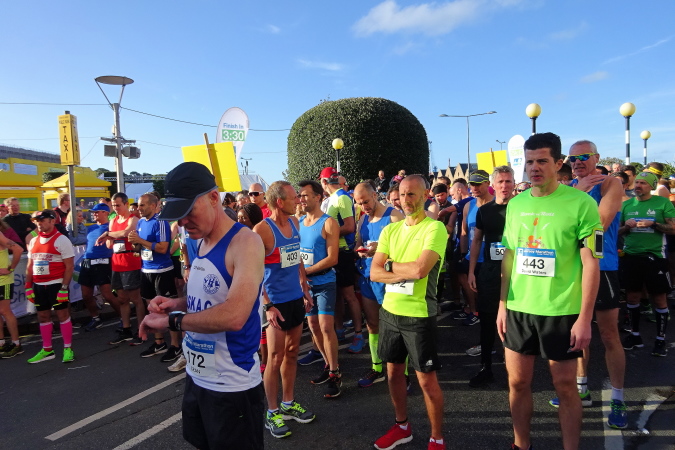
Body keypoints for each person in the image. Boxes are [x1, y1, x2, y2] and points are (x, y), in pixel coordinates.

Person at [139, 161, 265, 449]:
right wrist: (175, 303)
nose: (183, 223)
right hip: (198, 378)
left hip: (232, 386)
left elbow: (234, 314)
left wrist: (173, 321)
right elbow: (210, 297)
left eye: (188, 212)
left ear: (213, 197)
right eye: (178, 215)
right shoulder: (201, 241)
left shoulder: (245, 242)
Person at [497, 132, 602, 450]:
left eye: (542, 161)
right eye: (530, 162)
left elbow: (591, 264)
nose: (534, 168)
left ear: (558, 163)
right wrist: (502, 305)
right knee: (517, 382)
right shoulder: (516, 204)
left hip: (561, 311)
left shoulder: (582, 204)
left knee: (565, 386)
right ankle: (521, 445)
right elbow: (509, 256)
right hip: (519, 309)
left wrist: (585, 318)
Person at [550, 140, 627, 428]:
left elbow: (600, 224)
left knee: (608, 335)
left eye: (584, 156)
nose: (578, 162)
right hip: (573, 269)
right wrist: (575, 192)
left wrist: (575, 195)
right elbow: (554, 226)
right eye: (573, 158)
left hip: (603, 268)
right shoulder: (571, 188)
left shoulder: (610, 184)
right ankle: (582, 387)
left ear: (596, 157)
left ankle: (618, 398)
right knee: (576, 333)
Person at [370, 175, 447, 450]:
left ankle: (436, 438)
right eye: (402, 195)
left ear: (425, 195)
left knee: (426, 381)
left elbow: (420, 270)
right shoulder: (390, 230)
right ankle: (402, 426)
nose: (406, 200)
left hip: (418, 315)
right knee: (393, 374)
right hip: (390, 312)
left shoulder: (434, 228)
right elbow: (373, 272)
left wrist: (390, 265)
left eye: (412, 194)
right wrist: (396, 268)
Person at [254, 180, 315, 439]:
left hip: (295, 298)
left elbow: (297, 256)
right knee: (274, 358)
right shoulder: (261, 230)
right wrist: (267, 305)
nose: (298, 201)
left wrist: (305, 287)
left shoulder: (294, 223)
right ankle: (272, 411)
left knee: (291, 353)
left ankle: (288, 403)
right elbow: (254, 271)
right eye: (293, 198)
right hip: (275, 303)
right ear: (279, 202)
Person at [466, 166, 515, 387]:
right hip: (490, 271)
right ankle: (486, 367)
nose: (504, 186)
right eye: (500, 182)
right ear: (493, 185)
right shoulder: (484, 211)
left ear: (513, 184)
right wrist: (471, 271)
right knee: (487, 320)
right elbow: (477, 240)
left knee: (513, 322)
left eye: (508, 181)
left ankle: (513, 369)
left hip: (517, 273)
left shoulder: (522, 209)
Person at [353, 181, 404, 388]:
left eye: (366, 201)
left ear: (375, 195)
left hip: (389, 280)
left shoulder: (394, 216)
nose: (363, 206)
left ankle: (403, 373)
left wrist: (381, 250)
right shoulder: (362, 219)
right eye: (359, 203)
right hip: (368, 277)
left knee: (396, 327)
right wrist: (360, 251)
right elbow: (358, 243)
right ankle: (377, 368)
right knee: (372, 324)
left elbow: (405, 252)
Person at [619, 170, 675, 357]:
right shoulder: (627, 205)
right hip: (631, 256)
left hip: (655, 257)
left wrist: (654, 224)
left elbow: (673, 228)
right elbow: (616, 231)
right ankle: (635, 335)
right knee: (632, 297)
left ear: (652, 186)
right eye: (637, 182)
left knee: (659, 299)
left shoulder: (662, 203)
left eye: (643, 183)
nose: (638, 186)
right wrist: (626, 227)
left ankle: (660, 339)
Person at [297, 180, 342, 397]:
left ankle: (335, 373)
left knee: (325, 327)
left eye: (305, 195)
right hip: (306, 285)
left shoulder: (329, 222)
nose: (301, 199)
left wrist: (306, 271)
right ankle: (327, 364)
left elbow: (333, 258)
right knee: (313, 326)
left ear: (318, 197)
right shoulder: (298, 223)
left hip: (324, 282)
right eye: (300, 195)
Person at [128, 193, 179, 360]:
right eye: (138, 205)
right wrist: (134, 243)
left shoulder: (160, 222)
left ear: (152, 205)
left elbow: (163, 248)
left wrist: (140, 240)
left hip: (162, 271)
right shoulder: (141, 222)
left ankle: (175, 345)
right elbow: (139, 248)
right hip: (146, 270)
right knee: (152, 309)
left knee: (167, 309)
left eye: (142, 205)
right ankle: (159, 342)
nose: (139, 208)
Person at [320, 169, 364, 352]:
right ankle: (339, 330)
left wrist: (326, 233)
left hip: (343, 252)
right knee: (336, 294)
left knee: (348, 295)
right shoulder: (331, 199)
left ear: (324, 182)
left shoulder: (342, 197)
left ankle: (358, 333)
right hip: (333, 251)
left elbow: (349, 226)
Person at [25, 210, 77, 364]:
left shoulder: (61, 240)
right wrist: (28, 286)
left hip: (56, 283)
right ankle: (47, 349)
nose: (39, 223)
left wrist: (64, 288)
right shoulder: (34, 241)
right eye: (37, 221)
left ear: (52, 221)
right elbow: (30, 265)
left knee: (62, 315)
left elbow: (69, 266)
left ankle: (67, 348)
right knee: (42, 316)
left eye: (42, 220)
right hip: (39, 285)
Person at [96, 193, 146, 346]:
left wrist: (109, 234)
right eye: (113, 205)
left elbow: (126, 232)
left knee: (136, 298)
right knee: (122, 299)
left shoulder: (133, 219)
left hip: (131, 262)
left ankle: (141, 329)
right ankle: (126, 329)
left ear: (125, 204)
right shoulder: (113, 221)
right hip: (117, 263)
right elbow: (110, 243)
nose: (115, 208)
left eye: (118, 205)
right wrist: (109, 238)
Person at [454, 171, 494, 326]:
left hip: (491, 257)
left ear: (488, 184)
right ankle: (473, 311)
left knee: (488, 291)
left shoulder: (497, 204)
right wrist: (463, 253)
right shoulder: (468, 205)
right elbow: (464, 232)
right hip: (472, 255)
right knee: (464, 277)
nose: (474, 188)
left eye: (478, 184)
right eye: (472, 184)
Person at [78, 203, 120, 332]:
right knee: (86, 295)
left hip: (103, 262)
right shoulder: (90, 228)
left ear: (106, 213)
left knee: (107, 295)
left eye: (97, 212)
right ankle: (95, 318)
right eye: (93, 212)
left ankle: (124, 317)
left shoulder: (111, 227)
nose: (94, 214)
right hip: (87, 261)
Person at [0, 227, 23, 358]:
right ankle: (1, 343)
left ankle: (16, 344)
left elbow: (18, 249)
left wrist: (10, 269)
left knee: (5, 311)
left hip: (3, 281)